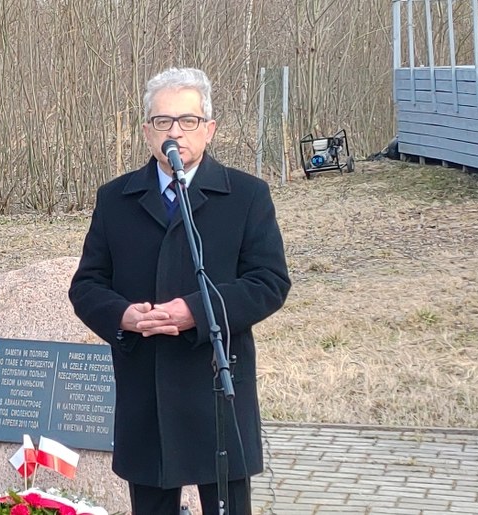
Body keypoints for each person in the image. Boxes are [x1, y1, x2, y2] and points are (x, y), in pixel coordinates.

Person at [68, 67, 291, 515]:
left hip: (217, 383)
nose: (175, 132)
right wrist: (123, 316)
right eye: (163, 122)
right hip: (145, 385)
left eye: (188, 121)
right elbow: (87, 285)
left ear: (209, 129)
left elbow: (268, 282)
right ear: (147, 131)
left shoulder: (246, 195)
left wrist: (195, 311)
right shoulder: (115, 199)